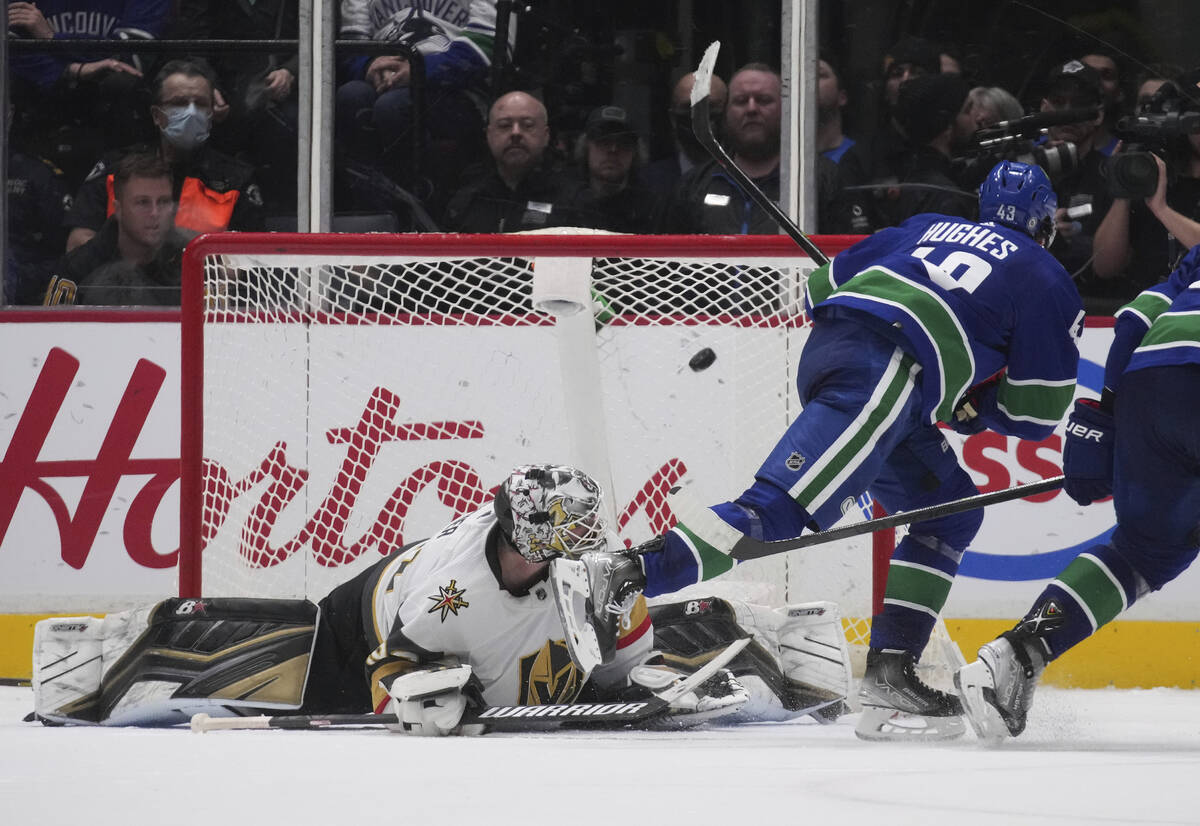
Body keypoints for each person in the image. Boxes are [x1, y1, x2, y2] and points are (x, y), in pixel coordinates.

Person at [622, 160, 1084, 742]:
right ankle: (623, 576)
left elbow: (820, 288)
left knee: (951, 511)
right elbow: (1036, 416)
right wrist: (971, 403)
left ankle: (891, 671)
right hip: (886, 374)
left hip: (841, 359)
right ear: (1044, 225)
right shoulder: (1044, 275)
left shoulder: (925, 226)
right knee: (771, 514)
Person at [31, 464, 853, 733]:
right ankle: (123, 652)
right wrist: (415, 696)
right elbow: (396, 671)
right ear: (518, 537)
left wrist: (633, 683)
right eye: (556, 546)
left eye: (582, 542)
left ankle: (776, 639)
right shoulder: (445, 597)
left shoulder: (596, 570)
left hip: (456, 634)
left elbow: (631, 670)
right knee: (275, 685)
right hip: (362, 624)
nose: (577, 558)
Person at [956, 244, 1200, 743]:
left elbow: (1133, 319)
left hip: (1153, 376)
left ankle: (1018, 651)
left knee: (1144, 551)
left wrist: (1110, 415)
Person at [63, 58, 266, 253]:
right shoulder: (115, 169)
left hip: (201, 287)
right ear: (156, 115)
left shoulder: (236, 180)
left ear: (212, 113)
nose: (191, 112)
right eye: (179, 103)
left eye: (201, 104)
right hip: (122, 283)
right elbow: (77, 244)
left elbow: (252, 261)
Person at [335, 0, 507, 211]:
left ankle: (422, 210)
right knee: (351, 96)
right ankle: (372, 214)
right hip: (386, 81)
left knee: (393, 107)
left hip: (456, 89)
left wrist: (419, 70)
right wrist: (370, 65)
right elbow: (351, 44)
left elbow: (489, 42)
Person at [661, 63, 850, 236]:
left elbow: (845, 262)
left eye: (764, 100)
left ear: (786, 110)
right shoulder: (693, 186)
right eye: (741, 101)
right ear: (726, 113)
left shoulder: (820, 179)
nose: (751, 109)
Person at [6, 0, 171, 186]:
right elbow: (12, 51)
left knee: (121, 84)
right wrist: (74, 69)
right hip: (42, 118)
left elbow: (131, 59)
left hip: (116, 125)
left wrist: (52, 38)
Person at [164, 0, 301, 216]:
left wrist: (290, 70)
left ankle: (280, 216)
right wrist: (208, 85)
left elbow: (318, 37)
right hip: (224, 82)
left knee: (291, 126)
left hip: (280, 89)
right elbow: (195, 40)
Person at [1088, 71, 1200, 312]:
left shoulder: (1158, 198)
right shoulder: (1155, 173)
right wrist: (1124, 188)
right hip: (1144, 312)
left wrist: (1162, 210)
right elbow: (1105, 266)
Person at [45, 153, 194, 306]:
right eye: (143, 202)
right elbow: (53, 329)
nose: (155, 212)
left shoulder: (195, 262)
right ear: (118, 209)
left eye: (163, 201)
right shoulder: (77, 269)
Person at [441, 91, 588, 232]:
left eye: (527, 125)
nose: (515, 133)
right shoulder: (466, 202)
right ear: (489, 135)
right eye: (505, 125)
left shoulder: (575, 200)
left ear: (546, 136)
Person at [1037, 59, 1112, 281]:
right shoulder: (1019, 167)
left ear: (1098, 115)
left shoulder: (1109, 175)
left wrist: (1074, 241)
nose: (1068, 112)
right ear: (1044, 108)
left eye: (1080, 104)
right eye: (1059, 102)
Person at [889, 71, 978, 223]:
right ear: (947, 126)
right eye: (968, 110)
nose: (976, 118)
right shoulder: (946, 197)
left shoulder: (909, 178)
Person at [641, 70, 728, 200]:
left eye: (710, 106)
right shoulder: (646, 184)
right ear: (673, 119)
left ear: (728, 113)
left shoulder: (750, 179)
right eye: (689, 107)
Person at [570, 105, 659, 234]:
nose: (613, 149)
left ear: (635, 151)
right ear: (586, 146)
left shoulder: (652, 208)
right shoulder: (564, 200)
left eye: (624, 142)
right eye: (603, 141)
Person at [817, 52, 856, 165]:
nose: (808, 81)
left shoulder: (861, 159)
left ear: (842, 97)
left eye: (820, 75)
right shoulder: (781, 160)